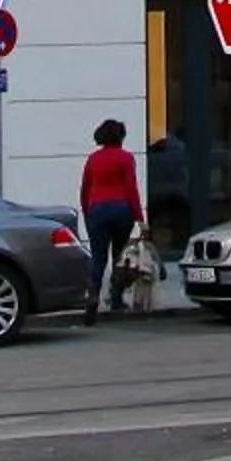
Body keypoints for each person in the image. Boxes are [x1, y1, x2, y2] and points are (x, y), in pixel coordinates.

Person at [77, 117, 145, 322]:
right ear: (120, 137)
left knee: (98, 257)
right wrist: (140, 218)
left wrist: (88, 212)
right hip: (121, 210)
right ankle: (116, 298)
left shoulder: (93, 159)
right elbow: (131, 189)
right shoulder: (126, 158)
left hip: (97, 210)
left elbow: (85, 189)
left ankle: (93, 297)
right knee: (119, 256)